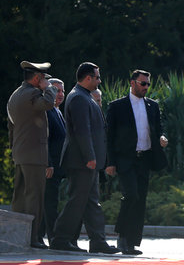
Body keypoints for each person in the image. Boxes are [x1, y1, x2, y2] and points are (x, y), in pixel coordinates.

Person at [50, 62, 119, 254]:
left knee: (91, 202)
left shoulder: (84, 96)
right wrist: (90, 156)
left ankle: (98, 241)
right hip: (81, 161)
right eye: (97, 77)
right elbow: (82, 131)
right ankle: (61, 239)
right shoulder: (79, 98)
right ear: (87, 78)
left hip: (87, 160)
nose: (99, 80)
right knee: (77, 201)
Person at [105, 70, 168, 255]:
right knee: (131, 195)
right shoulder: (117, 106)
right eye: (143, 83)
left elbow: (159, 128)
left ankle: (131, 243)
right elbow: (109, 137)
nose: (146, 87)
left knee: (140, 200)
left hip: (145, 158)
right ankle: (121, 236)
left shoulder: (152, 106)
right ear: (132, 83)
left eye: (148, 84)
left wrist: (162, 137)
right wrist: (110, 162)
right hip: (126, 159)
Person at [7, 61, 58, 249]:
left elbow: (11, 126)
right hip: (35, 154)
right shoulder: (33, 94)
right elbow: (48, 103)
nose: (46, 82)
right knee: (35, 197)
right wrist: (50, 89)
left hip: (20, 153)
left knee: (20, 197)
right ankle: (33, 238)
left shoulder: (16, 95)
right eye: (44, 78)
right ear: (37, 78)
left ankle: (17, 235)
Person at [38, 78, 66, 244]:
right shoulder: (47, 111)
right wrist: (48, 163)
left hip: (58, 166)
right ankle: (53, 238)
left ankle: (39, 236)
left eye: (62, 91)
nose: (60, 94)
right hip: (50, 166)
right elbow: (44, 139)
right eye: (56, 90)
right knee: (49, 202)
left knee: (48, 201)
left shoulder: (57, 111)